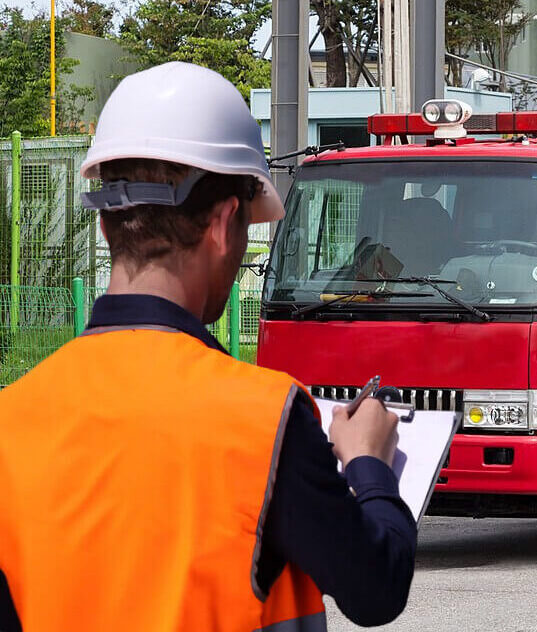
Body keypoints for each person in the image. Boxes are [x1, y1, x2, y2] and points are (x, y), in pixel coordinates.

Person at [0, 62, 416, 630]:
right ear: (223, 224)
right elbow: (375, 588)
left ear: (106, 228)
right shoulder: (265, 418)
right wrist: (370, 463)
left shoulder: (12, 418)